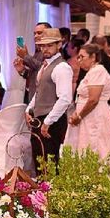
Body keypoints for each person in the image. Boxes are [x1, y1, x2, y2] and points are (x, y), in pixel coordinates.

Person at [25, 28, 73, 174]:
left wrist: (48, 121)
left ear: (59, 45)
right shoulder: (44, 66)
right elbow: (39, 91)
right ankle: (40, 195)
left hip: (52, 120)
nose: (45, 49)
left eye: (49, 45)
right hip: (40, 118)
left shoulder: (62, 67)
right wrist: (28, 110)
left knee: (50, 162)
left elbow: (65, 99)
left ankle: (51, 195)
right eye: (42, 45)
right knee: (39, 160)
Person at [65, 44, 110, 158]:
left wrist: (79, 116)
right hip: (86, 116)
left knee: (94, 147)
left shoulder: (98, 71)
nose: (79, 60)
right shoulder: (91, 72)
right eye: (78, 57)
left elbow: (93, 100)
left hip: (94, 115)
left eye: (82, 57)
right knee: (83, 147)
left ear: (93, 57)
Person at [13, 22, 51, 102]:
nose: (36, 36)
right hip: (33, 95)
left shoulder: (50, 51)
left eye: (39, 33)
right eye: (34, 33)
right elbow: (35, 73)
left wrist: (25, 56)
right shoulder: (38, 50)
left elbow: (44, 69)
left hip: (43, 98)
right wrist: (23, 71)